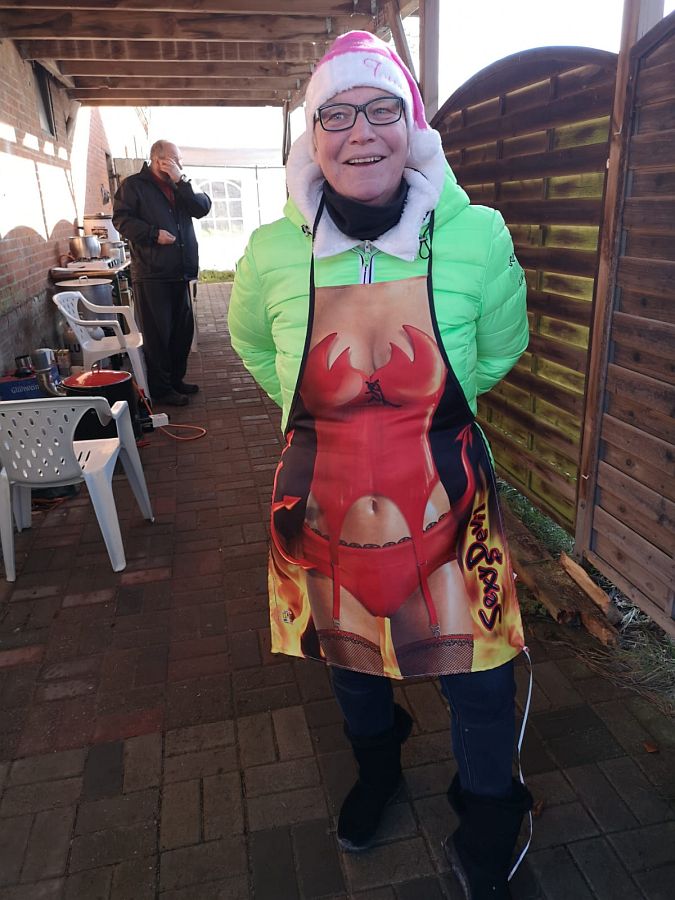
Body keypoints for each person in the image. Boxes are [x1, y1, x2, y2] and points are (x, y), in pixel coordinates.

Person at [228, 31, 532, 899]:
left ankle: (489, 810)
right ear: (312, 135)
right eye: (336, 114)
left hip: (449, 495)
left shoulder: (476, 235)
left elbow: (500, 347)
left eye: (380, 109)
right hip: (319, 500)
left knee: (479, 675)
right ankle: (377, 764)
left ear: (413, 126)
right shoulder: (271, 251)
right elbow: (254, 348)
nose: (360, 132)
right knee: (349, 659)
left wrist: (423, 417)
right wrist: (318, 422)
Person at [113, 140, 211, 406]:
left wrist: (182, 181)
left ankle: (176, 380)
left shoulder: (180, 185)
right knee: (158, 335)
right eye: (175, 159)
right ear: (159, 161)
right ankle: (161, 389)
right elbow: (121, 220)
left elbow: (202, 207)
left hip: (181, 271)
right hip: (152, 273)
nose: (180, 164)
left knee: (182, 332)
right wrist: (153, 234)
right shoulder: (134, 186)